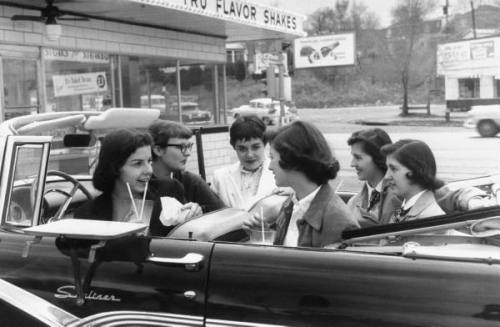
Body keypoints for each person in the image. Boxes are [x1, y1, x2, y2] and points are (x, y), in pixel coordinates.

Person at [243, 120, 359, 247]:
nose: (270, 166)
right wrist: (267, 233)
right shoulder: (291, 204)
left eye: (273, 157)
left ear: (292, 160)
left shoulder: (338, 221)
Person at [347, 128, 492, 228]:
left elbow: (453, 195)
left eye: (358, 158)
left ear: (377, 158)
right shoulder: (354, 203)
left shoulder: (409, 190)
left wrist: (476, 202)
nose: (352, 164)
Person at [74, 128, 202, 237]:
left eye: (149, 161)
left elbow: (188, 241)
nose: (149, 170)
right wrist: (122, 241)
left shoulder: (168, 190)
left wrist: (195, 217)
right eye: (138, 163)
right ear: (115, 167)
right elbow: (85, 258)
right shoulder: (87, 214)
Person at [149, 120, 225, 213]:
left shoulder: (191, 181)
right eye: (181, 147)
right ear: (158, 150)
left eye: (189, 146)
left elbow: (222, 213)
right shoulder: (142, 184)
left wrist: (200, 211)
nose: (188, 153)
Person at [212, 116, 277, 210]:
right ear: (234, 147)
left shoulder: (281, 175)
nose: (249, 155)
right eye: (242, 149)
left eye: (255, 147)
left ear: (265, 144)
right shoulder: (220, 177)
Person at [381, 139, 445, 222]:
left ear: (415, 171)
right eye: (387, 168)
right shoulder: (403, 207)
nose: (386, 176)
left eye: (393, 169)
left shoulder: (429, 217)